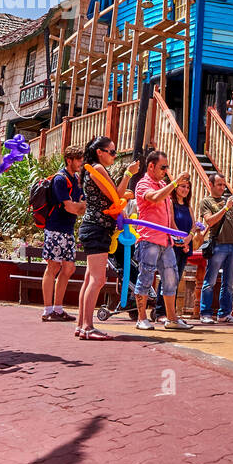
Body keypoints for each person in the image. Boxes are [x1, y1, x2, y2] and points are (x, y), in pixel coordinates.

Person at [76, 137, 139, 340]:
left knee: (89, 279)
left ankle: (81, 325)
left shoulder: (91, 169)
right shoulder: (98, 169)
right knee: (97, 279)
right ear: (100, 152)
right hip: (97, 228)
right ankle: (87, 327)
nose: (114, 155)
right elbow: (115, 195)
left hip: (94, 227)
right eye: (111, 152)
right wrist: (129, 173)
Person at [133, 150, 188, 330]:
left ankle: (171, 318)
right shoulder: (143, 184)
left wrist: (178, 235)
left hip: (165, 240)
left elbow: (168, 215)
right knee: (146, 277)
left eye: (167, 167)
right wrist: (175, 182)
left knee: (171, 278)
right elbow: (155, 198)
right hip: (148, 238)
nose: (166, 170)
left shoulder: (162, 184)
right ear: (151, 166)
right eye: (163, 167)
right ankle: (141, 318)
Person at [41, 145, 86, 323]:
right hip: (55, 228)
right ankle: (47, 310)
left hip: (67, 229)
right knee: (53, 267)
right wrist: (78, 207)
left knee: (68, 268)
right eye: (78, 160)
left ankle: (58, 309)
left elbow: (81, 206)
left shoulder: (76, 179)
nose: (81, 163)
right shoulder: (60, 179)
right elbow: (71, 207)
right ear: (69, 160)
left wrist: (79, 207)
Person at [198, 173, 233, 325]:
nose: (222, 187)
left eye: (223, 185)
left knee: (228, 283)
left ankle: (225, 313)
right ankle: (205, 313)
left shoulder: (229, 201)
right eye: (219, 184)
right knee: (210, 281)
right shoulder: (206, 201)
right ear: (211, 185)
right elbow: (210, 221)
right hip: (218, 244)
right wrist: (226, 207)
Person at [168, 175, 199, 326]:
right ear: (176, 188)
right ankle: (164, 310)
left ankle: (173, 312)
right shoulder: (171, 204)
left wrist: (189, 238)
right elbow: (172, 222)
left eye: (187, 187)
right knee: (169, 278)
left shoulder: (188, 206)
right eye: (182, 187)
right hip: (174, 244)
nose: (185, 190)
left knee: (178, 276)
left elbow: (193, 225)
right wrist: (180, 239)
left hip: (186, 245)